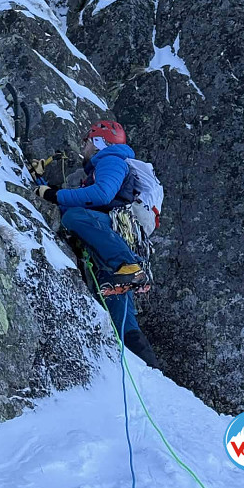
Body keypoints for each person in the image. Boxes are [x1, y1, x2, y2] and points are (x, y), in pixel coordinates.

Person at [31, 119, 161, 370]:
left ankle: (129, 266)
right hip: (112, 244)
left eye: (88, 140)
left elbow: (101, 194)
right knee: (122, 319)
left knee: (75, 217)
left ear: (100, 142)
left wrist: (53, 194)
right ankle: (154, 374)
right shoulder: (105, 165)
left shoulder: (111, 161)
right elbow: (82, 198)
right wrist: (41, 184)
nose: (85, 146)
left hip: (114, 238)